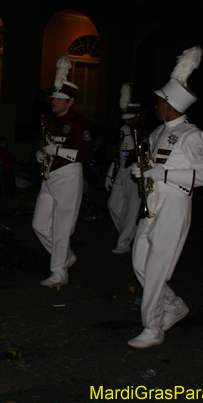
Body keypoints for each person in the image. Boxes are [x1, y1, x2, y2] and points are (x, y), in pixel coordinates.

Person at [127, 47, 203, 349]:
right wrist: (142, 171)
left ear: (170, 105)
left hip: (175, 204)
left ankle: (153, 328)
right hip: (152, 203)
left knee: (155, 268)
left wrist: (161, 174)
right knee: (140, 262)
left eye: (159, 102)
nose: (155, 106)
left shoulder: (193, 136)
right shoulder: (156, 133)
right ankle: (173, 305)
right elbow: (151, 166)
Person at [32, 55, 93, 287]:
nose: (53, 101)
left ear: (70, 102)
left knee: (61, 227)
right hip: (49, 175)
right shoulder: (48, 120)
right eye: (53, 98)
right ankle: (65, 257)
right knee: (39, 224)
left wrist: (57, 150)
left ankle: (59, 273)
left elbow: (87, 155)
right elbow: (46, 144)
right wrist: (43, 155)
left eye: (58, 98)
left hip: (68, 175)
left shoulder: (80, 124)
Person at [106, 83, 142, 254]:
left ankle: (124, 242)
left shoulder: (142, 133)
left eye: (130, 117)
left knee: (131, 208)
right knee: (113, 204)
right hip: (121, 171)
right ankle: (130, 231)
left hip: (134, 173)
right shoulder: (123, 131)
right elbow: (118, 154)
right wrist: (110, 174)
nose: (126, 120)